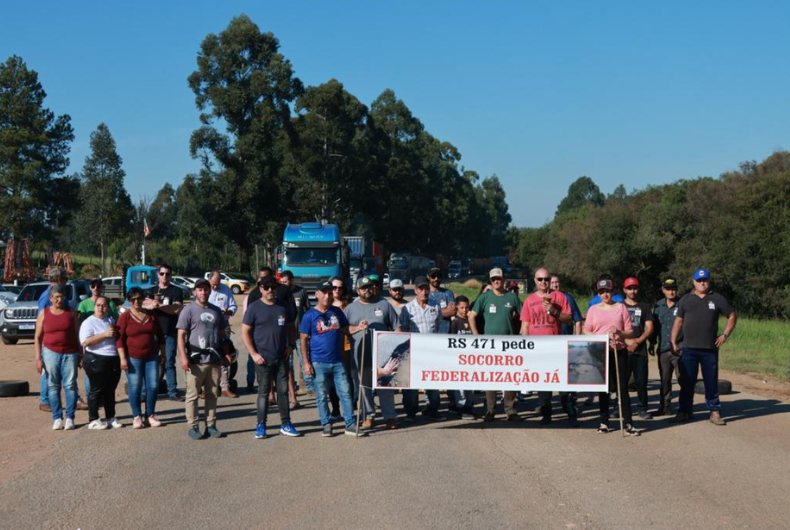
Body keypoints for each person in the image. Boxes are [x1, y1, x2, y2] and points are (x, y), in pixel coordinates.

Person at [670, 268, 737, 426]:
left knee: (711, 381)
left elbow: (732, 315)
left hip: (709, 349)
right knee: (687, 382)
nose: (702, 283)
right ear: (694, 282)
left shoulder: (717, 298)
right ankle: (684, 411)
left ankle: (714, 411)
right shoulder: (686, 299)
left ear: (709, 281)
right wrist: (673, 341)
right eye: (699, 280)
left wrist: (725, 335)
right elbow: (678, 321)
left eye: (705, 280)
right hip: (689, 348)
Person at [242, 275, 301, 439]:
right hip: (263, 359)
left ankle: (286, 424)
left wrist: (291, 345)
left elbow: (291, 326)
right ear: (260, 288)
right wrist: (254, 354)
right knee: (264, 392)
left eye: (273, 287)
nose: (270, 290)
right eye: (266, 287)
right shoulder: (254, 308)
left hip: (281, 357)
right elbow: (245, 332)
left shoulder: (283, 306)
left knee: (283, 392)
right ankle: (261, 425)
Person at [300, 281, 362, 437]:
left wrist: (358, 328)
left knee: (346, 393)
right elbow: (303, 339)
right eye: (324, 293)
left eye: (329, 293)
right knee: (321, 396)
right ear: (317, 294)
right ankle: (326, 424)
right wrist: (306, 363)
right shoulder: (309, 315)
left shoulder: (336, 312)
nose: (327, 296)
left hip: (337, 361)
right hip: (318, 362)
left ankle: (350, 424)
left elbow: (345, 329)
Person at [344, 276, 403, 430]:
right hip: (361, 356)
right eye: (363, 288)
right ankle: (368, 416)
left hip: (383, 356)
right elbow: (344, 329)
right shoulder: (350, 308)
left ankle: (390, 416)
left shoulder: (384, 304)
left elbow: (397, 326)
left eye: (369, 287)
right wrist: (357, 328)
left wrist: (396, 343)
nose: (367, 290)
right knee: (364, 387)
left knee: (385, 387)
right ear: (358, 290)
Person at [583, 278, 640, 436]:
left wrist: (619, 333)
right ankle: (604, 421)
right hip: (600, 352)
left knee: (622, 387)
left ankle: (628, 423)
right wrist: (601, 338)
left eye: (607, 291)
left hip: (619, 350)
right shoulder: (593, 309)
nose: (605, 294)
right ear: (598, 294)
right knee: (604, 388)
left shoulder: (621, 307)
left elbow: (630, 331)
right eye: (601, 292)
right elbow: (586, 330)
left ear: (612, 291)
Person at [520, 268, 575, 426]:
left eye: (546, 279)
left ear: (550, 280)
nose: (543, 282)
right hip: (537, 349)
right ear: (535, 280)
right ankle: (546, 414)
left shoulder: (560, 297)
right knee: (543, 385)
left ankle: (571, 412)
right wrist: (526, 348)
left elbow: (569, 319)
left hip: (556, 347)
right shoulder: (529, 300)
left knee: (563, 383)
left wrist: (554, 311)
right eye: (540, 279)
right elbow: (525, 325)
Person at [178, 279, 229, 440]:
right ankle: (193, 426)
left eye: (206, 289)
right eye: (200, 290)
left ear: (210, 291)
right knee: (193, 395)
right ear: (195, 292)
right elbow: (181, 335)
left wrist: (226, 352)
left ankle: (211, 425)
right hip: (195, 360)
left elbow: (222, 334)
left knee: (212, 394)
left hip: (213, 359)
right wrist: (183, 357)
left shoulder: (216, 310)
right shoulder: (188, 310)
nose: (203, 292)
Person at [469, 268, 523, 422]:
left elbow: (524, 316)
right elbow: (471, 316)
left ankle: (510, 410)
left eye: (499, 278)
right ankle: (490, 410)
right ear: (491, 281)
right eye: (493, 279)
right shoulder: (485, 297)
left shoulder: (512, 297)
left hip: (509, 345)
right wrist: (476, 337)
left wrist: (521, 334)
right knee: (490, 378)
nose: (496, 281)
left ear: (503, 279)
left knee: (510, 377)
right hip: (490, 345)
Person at [36, 267, 87, 412]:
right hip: (51, 343)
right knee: (49, 373)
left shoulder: (59, 294)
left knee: (65, 375)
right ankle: (45, 400)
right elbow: (42, 320)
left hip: (66, 342)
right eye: (65, 279)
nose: (66, 282)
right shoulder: (47, 297)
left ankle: (73, 400)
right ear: (59, 279)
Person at [117, 287, 166, 429]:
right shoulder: (125, 317)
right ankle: (137, 416)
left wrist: (163, 353)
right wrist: (122, 358)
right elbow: (119, 339)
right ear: (129, 301)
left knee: (153, 386)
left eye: (139, 298)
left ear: (143, 299)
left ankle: (150, 415)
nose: (136, 302)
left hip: (152, 357)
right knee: (135, 387)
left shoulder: (151, 315)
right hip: (133, 358)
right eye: (133, 299)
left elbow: (160, 335)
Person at [34, 285, 81, 430]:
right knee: (53, 386)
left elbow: (77, 334)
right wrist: (38, 358)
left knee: (70, 385)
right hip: (50, 353)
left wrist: (80, 353)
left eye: (61, 297)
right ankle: (57, 417)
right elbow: (37, 337)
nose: (59, 300)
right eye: (56, 297)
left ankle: (70, 417)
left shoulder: (71, 312)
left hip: (70, 353)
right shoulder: (44, 313)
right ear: (51, 298)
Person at [402, 275, 443, 421]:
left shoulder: (435, 306)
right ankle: (411, 413)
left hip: (431, 352)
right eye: (421, 289)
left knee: (432, 383)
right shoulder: (407, 308)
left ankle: (433, 410)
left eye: (426, 288)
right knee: (412, 385)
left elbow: (438, 326)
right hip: (413, 352)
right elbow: (404, 330)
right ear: (415, 290)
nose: (424, 292)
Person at [79, 296, 122, 430]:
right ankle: (93, 419)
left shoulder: (110, 321)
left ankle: (110, 417)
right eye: (98, 305)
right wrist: (104, 334)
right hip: (95, 358)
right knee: (96, 389)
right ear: (94, 307)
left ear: (108, 308)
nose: (101, 308)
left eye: (104, 305)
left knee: (110, 390)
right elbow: (85, 342)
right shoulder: (88, 322)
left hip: (112, 358)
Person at [144, 263, 184, 401]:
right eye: (162, 273)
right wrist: (150, 305)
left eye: (167, 274)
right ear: (158, 275)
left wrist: (158, 306)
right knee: (150, 362)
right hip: (152, 333)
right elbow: (143, 306)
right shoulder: (150, 291)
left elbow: (176, 309)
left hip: (169, 332)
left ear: (171, 275)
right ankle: (148, 391)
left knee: (169, 362)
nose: (165, 276)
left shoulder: (176, 291)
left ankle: (172, 392)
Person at [622, 277, 654, 420]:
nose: (632, 291)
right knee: (622, 382)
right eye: (629, 288)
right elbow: (615, 326)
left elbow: (649, 328)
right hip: (623, 349)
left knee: (641, 381)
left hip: (640, 350)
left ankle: (642, 408)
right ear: (624, 290)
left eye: (635, 288)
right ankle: (619, 407)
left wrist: (638, 341)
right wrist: (627, 341)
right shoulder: (619, 306)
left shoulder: (644, 307)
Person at [649, 276, 682, 416]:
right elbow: (655, 327)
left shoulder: (683, 304)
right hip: (663, 349)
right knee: (665, 379)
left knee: (683, 379)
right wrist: (652, 343)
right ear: (663, 290)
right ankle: (665, 407)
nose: (671, 292)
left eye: (673, 289)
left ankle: (684, 408)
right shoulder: (658, 305)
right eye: (668, 289)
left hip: (680, 349)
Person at [280, 270, 309, 408]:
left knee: (305, 361)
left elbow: (308, 309)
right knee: (289, 365)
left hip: (301, 334)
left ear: (292, 281)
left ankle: (308, 386)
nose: (283, 284)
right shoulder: (280, 293)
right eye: (281, 282)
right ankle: (292, 395)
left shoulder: (301, 291)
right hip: (286, 336)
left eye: (285, 282)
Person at [208, 270, 239, 399]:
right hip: (207, 327)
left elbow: (233, 306)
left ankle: (225, 387)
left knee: (224, 354)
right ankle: (208, 388)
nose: (215, 286)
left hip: (223, 325)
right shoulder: (204, 290)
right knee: (208, 356)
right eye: (213, 284)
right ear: (209, 280)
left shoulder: (226, 290)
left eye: (217, 284)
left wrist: (229, 312)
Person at [449, 295, 477, 420]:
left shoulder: (472, 321)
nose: (465, 310)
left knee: (470, 384)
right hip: (458, 358)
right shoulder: (455, 322)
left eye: (467, 307)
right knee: (460, 385)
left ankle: (469, 406)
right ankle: (460, 407)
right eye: (462, 308)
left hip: (470, 358)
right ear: (457, 307)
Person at [427, 267, 455, 334]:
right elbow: (424, 313)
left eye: (439, 276)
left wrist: (432, 312)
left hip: (446, 333)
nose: (436, 279)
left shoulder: (448, 293)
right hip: (429, 334)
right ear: (428, 277)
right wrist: (445, 311)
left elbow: (452, 311)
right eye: (433, 276)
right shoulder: (425, 294)